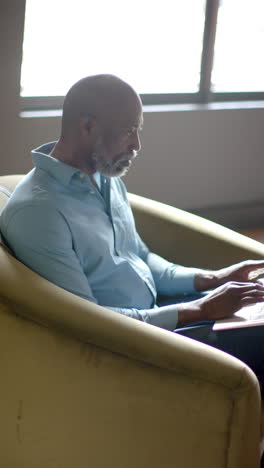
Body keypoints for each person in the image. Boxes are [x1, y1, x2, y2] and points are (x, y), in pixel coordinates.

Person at [1, 74, 264, 387]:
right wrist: (197, 309)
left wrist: (211, 279)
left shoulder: (106, 180)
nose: (137, 145)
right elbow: (87, 324)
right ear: (87, 127)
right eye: (129, 131)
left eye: (138, 130)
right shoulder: (39, 212)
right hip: (128, 349)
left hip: (163, 315)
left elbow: (140, 257)